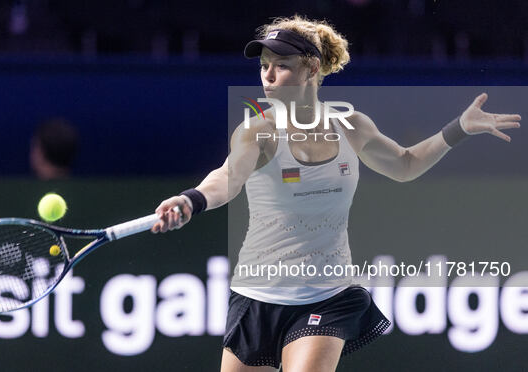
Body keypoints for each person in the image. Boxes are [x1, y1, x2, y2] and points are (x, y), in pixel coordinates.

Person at [150, 15, 521, 372]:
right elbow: (227, 178)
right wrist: (191, 200)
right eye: (264, 65)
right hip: (258, 295)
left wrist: (459, 129)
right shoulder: (257, 132)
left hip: (329, 294)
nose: (268, 75)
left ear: (312, 68)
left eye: (281, 65)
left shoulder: (351, 126)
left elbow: (405, 165)